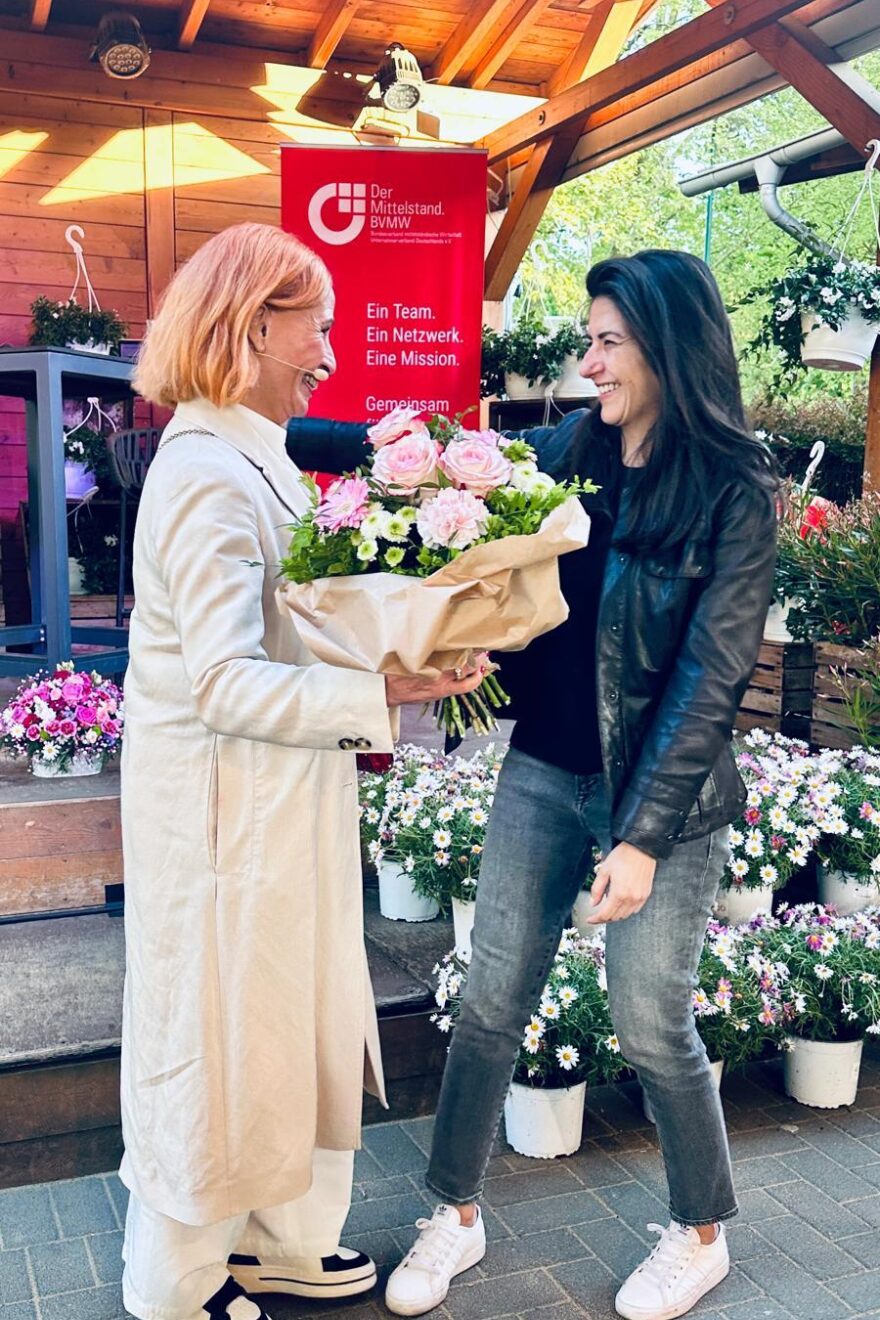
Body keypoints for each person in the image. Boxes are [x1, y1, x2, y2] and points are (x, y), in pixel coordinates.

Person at [287, 250, 779, 1320]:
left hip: (667, 806)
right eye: (589, 339)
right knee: (489, 1001)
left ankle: (699, 1235)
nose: (587, 359)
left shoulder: (734, 494)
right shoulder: (566, 451)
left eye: (607, 340)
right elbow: (430, 461)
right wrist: (265, 430)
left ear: (665, 345)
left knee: (650, 1023)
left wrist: (642, 838)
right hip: (544, 774)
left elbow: (709, 682)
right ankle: (452, 1216)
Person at [121, 221, 482, 1320]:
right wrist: (389, 692)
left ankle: (280, 1238)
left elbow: (287, 635)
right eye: (314, 327)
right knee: (220, 1040)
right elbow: (225, 682)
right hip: (227, 823)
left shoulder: (257, 455)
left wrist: (394, 646)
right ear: (254, 324)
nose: (328, 353)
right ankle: (175, 1285)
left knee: (292, 1029)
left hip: (283, 805)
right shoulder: (205, 476)